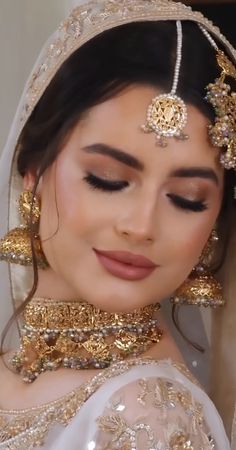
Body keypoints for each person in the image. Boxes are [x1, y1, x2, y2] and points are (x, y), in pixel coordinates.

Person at [0, 0, 235, 448]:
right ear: (33, 171)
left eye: (187, 200)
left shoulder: (149, 416)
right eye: (107, 180)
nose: (141, 225)